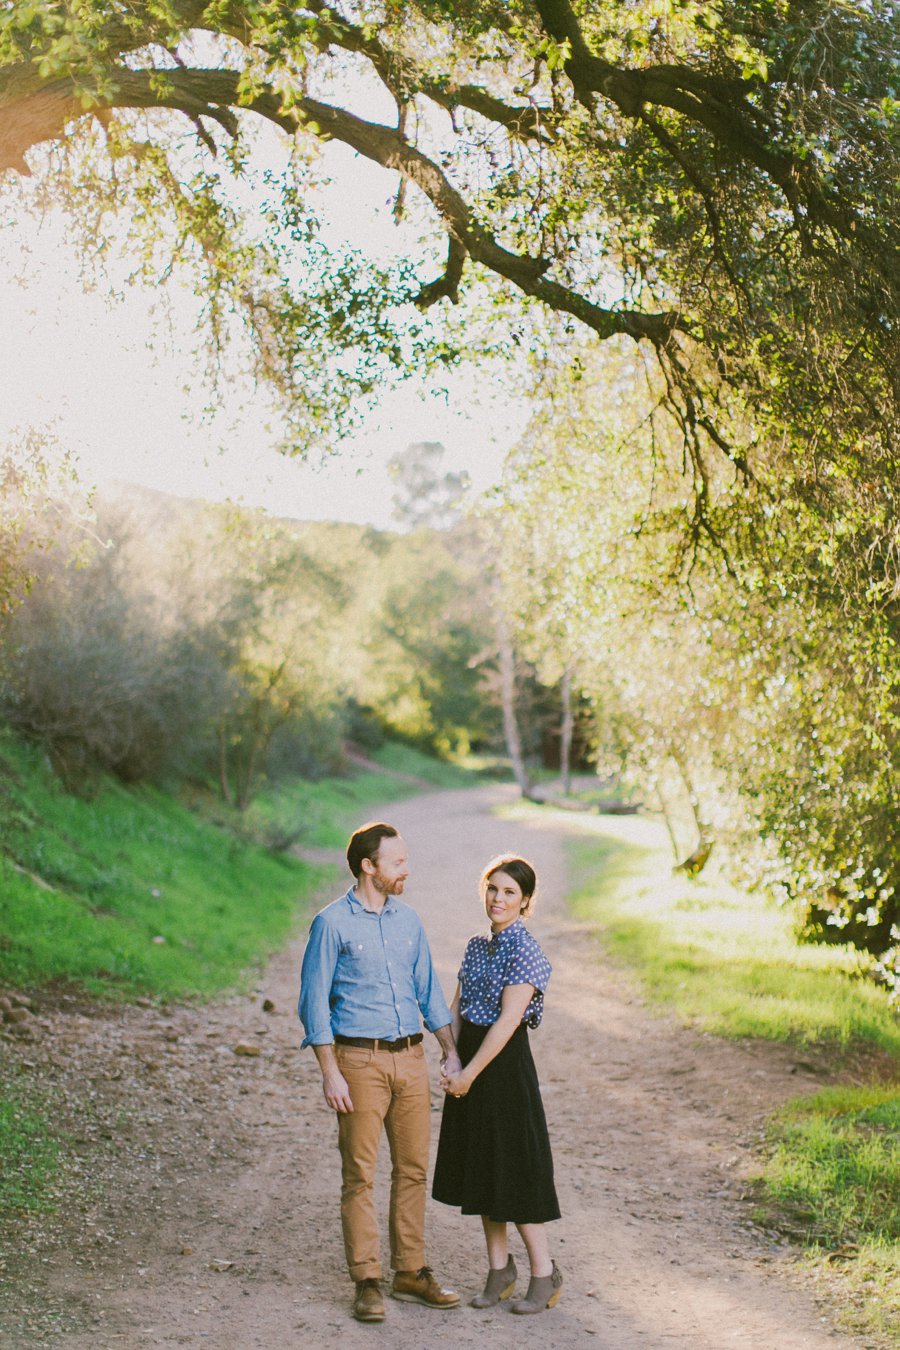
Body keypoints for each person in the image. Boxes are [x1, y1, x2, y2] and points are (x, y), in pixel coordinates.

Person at [298, 821, 461, 1324]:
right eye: (397, 862)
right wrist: (331, 1072)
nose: (406, 870)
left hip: (410, 1060)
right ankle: (367, 1280)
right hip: (358, 1061)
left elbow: (429, 992)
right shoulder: (331, 925)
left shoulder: (409, 921)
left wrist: (449, 1050)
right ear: (369, 866)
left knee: (412, 1170)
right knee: (360, 1175)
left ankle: (410, 1271)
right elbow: (312, 1004)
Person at [431, 853, 562, 1315]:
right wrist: (449, 1056)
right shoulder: (476, 947)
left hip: (502, 1070)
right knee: (483, 1169)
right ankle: (499, 1270)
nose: (498, 899)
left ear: (525, 900)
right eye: (492, 888)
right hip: (470, 1062)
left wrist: (469, 1072)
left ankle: (544, 1274)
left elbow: (507, 1022)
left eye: (509, 892)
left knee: (516, 1170)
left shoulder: (525, 950)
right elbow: (456, 1008)